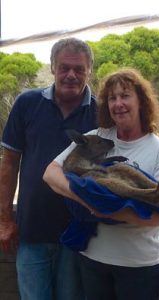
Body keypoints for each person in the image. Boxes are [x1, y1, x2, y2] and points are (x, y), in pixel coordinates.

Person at [43, 68, 159, 300]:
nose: (118, 103)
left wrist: (117, 214)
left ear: (141, 101)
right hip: (94, 259)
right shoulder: (96, 138)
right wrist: (89, 202)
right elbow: (50, 173)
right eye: (112, 98)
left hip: (139, 264)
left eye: (125, 95)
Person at [0, 37, 97, 300]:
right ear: (52, 67)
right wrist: (5, 219)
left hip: (80, 235)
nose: (71, 75)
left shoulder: (101, 112)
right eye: (64, 67)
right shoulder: (27, 104)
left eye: (79, 69)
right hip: (31, 231)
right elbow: (8, 163)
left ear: (90, 70)